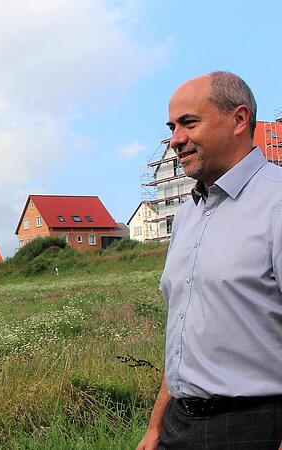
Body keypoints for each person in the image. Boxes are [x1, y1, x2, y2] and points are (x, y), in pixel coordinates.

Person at [137, 71, 282, 449]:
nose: (175, 140)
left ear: (239, 119)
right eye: (172, 127)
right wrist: (155, 427)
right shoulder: (186, 216)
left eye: (189, 122)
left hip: (255, 429)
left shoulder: (277, 203)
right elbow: (183, 333)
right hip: (178, 426)